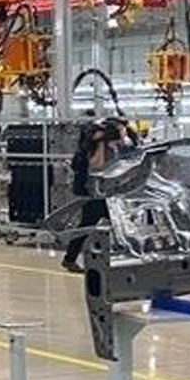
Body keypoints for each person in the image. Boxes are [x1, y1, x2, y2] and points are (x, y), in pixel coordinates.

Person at [62, 116, 139, 273]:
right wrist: (101, 143)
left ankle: (71, 259)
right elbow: (97, 165)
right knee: (94, 225)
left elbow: (132, 156)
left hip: (109, 191)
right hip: (95, 192)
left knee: (113, 224)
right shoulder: (96, 146)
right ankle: (70, 259)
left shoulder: (118, 144)